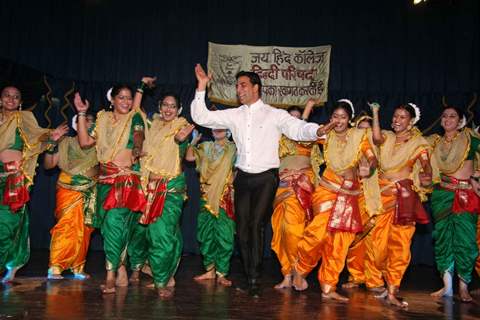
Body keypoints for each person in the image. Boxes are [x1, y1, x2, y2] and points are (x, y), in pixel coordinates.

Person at [190, 64, 335, 297]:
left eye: (243, 85)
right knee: (243, 230)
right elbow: (201, 116)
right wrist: (202, 86)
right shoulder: (234, 114)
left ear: (256, 88)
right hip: (243, 178)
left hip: (266, 178)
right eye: (237, 86)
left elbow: (298, 129)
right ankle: (250, 276)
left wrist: (318, 131)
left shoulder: (274, 114)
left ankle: (255, 279)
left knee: (256, 225)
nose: (239, 89)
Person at [292, 99, 379, 302]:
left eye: (343, 117)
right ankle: (300, 269)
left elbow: (371, 156)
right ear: (331, 118)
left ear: (349, 120)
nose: (339, 120)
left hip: (350, 195)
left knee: (339, 243)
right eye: (335, 116)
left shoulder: (359, 136)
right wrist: (327, 126)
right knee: (317, 235)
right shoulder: (325, 136)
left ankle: (328, 287)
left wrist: (371, 166)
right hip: (327, 191)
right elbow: (308, 137)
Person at [74, 80, 149, 293]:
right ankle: (121, 267)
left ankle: (110, 275)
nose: (126, 101)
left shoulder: (135, 117)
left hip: (125, 181)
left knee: (116, 223)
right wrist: (81, 114)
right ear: (113, 100)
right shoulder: (103, 119)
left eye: (128, 97)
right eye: (121, 97)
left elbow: (138, 136)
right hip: (105, 181)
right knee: (110, 229)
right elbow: (85, 142)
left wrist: (136, 148)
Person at [0, 85, 69, 283]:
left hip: (14, 178)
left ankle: (10, 265)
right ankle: (12, 264)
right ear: (0, 99)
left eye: (16, 97)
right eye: (7, 96)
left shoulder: (24, 118)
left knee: (8, 223)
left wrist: (52, 136)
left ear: (20, 101)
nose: (11, 100)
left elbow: (38, 135)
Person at [367, 102, 432, 308]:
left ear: (411, 121)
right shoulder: (386, 137)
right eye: (395, 116)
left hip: (404, 197)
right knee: (377, 248)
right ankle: (382, 281)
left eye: (402, 117)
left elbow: (426, 164)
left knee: (400, 246)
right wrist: (376, 112)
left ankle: (393, 289)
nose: (397, 120)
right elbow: (375, 138)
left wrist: (427, 175)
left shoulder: (419, 143)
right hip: (381, 196)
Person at [136, 90, 194, 298]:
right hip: (150, 187)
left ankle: (161, 281)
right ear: (160, 107)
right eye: (165, 105)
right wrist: (141, 88)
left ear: (178, 110)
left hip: (169, 187)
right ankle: (168, 275)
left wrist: (183, 140)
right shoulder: (153, 127)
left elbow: (183, 148)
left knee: (161, 234)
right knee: (166, 234)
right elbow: (136, 113)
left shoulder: (182, 127)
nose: (169, 109)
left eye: (173, 106)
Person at [428, 106, 480, 302]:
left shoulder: (470, 140)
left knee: (465, 242)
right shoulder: (434, 143)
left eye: (453, 116)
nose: (448, 119)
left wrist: (476, 177)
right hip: (442, 195)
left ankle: (464, 287)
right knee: (443, 240)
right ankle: (447, 287)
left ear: (460, 121)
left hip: (466, 195)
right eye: (444, 116)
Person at [271, 100, 324, 289]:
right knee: (281, 231)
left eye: (296, 119)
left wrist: (307, 110)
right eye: (289, 119)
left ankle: (298, 271)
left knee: (295, 230)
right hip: (281, 186)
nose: (293, 122)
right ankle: (286, 273)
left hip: (301, 185)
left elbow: (302, 130)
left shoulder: (307, 137)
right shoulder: (278, 138)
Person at [44, 114, 98, 280]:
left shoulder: (100, 145)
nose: (90, 123)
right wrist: (52, 143)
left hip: (91, 190)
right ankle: (55, 266)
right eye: (86, 120)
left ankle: (77, 266)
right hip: (68, 188)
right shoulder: (66, 142)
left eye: (92, 121)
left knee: (85, 229)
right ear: (77, 124)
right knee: (66, 225)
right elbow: (49, 165)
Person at [185, 128, 236, 286]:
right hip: (205, 195)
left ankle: (222, 273)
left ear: (228, 130)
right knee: (205, 234)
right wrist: (193, 141)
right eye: (214, 126)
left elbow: (242, 167)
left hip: (224, 196)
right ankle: (210, 270)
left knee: (225, 235)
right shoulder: (206, 146)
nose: (217, 129)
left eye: (221, 126)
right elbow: (189, 157)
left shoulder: (234, 147)